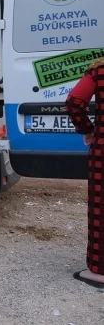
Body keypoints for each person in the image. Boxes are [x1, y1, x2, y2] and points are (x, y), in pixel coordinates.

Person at [65, 58, 104, 289]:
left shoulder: (99, 70)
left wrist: (88, 130)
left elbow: (74, 102)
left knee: (101, 208)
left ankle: (100, 272)